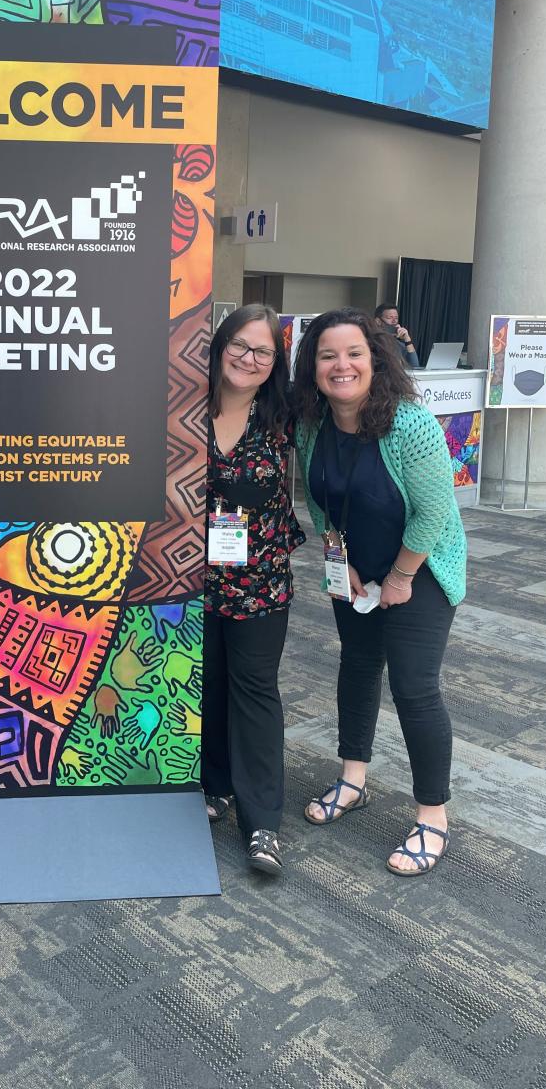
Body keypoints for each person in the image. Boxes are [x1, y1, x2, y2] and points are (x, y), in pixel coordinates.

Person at [291, 308, 466, 876]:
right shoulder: (312, 426)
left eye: (353, 354)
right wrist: (341, 561)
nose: (341, 365)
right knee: (358, 669)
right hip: (357, 573)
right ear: (313, 367)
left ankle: (432, 817)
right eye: (327, 355)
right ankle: (353, 780)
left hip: (423, 569)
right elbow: (319, 501)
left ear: (375, 360)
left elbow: (437, 509)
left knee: (414, 689)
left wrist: (400, 576)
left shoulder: (409, 424)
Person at [203, 305, 305, 876]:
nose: (249, 358)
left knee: (255, 689)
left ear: (274, 363)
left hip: (260, 581)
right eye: (240, 345)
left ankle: (263, 822)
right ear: (220, 347)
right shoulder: (181, 410)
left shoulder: (285, 420)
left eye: (262, 351)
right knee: (209, 684)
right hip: (190, 579)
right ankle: (214, 786)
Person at [375, 303, 418, 368]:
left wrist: (408, 340)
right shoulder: (372, 342)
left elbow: (415, 366)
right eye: (390, 318)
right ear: (378, 321)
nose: (394, 321)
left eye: (396, 318)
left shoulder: (400, 345)